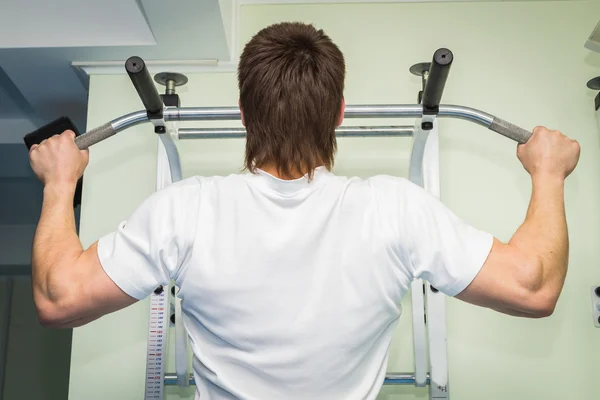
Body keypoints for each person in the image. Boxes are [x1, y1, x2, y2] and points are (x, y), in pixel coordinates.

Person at [28, 22, 580, 400]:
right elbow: (533, 288)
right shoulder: (394, 210)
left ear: (245, 114)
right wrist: (548, 172)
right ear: (339, 113)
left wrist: (59, 183)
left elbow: (59, 298)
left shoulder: (186, 211)